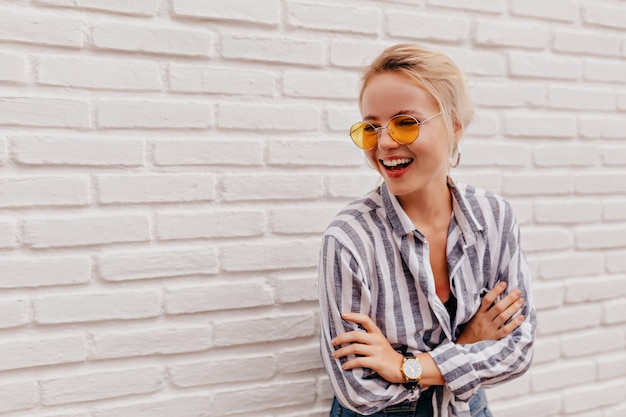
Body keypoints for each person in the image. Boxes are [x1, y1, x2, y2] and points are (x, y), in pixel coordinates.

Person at [318, 44, 536, 417]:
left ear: (454, 125)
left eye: (405, 122)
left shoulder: (493, 217)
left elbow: (517, 349)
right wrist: (467, 343)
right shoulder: (349, 239)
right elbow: (358, 390)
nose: (384, 143)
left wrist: (406, 366)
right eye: (371, 128)